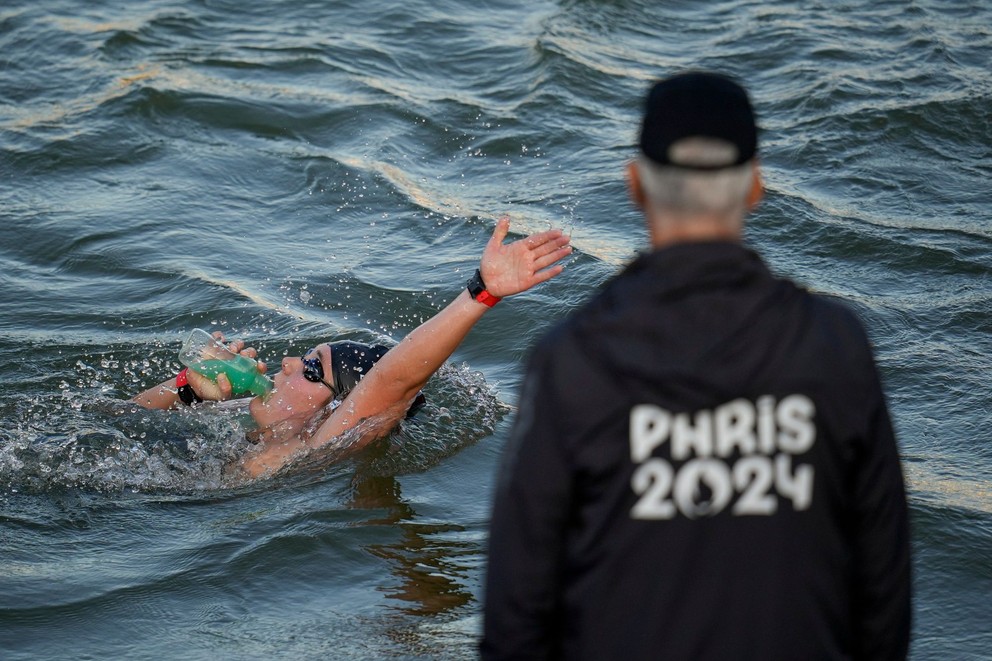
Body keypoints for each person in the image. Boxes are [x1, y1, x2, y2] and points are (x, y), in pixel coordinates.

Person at [481, 72, 912, 660]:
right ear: (756, 187)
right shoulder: (833, 347)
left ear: (635, 185)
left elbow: (516, 607)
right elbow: (884, 589)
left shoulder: (575, 361)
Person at [132, 217, 572, 479]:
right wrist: (188, 389)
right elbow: (120, 417)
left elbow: (393, 380)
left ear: (338, 409)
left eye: (310, 370)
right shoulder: (244, 420)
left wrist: (482, 293)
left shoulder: (314, 445)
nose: (285, 363)